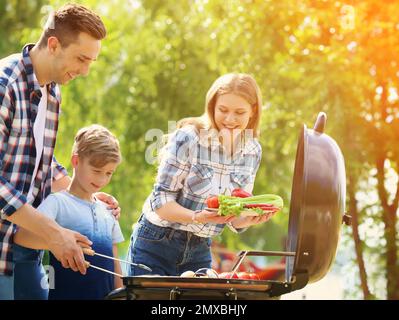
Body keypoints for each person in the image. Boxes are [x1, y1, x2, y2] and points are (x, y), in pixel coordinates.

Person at [0, 4, 120, 300]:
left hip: (28, 247)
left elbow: (38, 160)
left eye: (91, 61)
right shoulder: (6, 86)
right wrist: (54, 233)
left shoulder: (52, 91)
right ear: (53, 44)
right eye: (81, 59)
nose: (85, 70)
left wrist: (80, 192)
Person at [127, 73, 279, 276]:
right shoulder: (189, 138)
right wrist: (197, 217)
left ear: (253, 112)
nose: (230, 119)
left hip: (200, 249)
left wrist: (248, 219)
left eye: (239, 112)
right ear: (212, 107)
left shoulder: (253, 150)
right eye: (223, 110)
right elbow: (161, 201)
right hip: (156, 242)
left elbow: (234, 215)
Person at [14, 124, 124, 300]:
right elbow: (22, 237)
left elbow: (115, 261)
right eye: (96, 171)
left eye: (109, 173)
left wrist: (123, 295)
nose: (102, 179)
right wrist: (55, 241)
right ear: (76, 161)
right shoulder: (57, 202)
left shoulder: (107, 209)